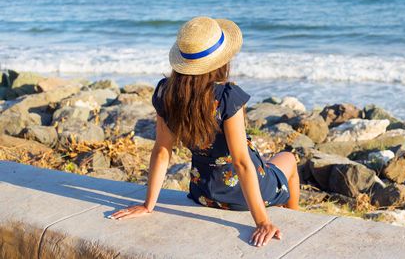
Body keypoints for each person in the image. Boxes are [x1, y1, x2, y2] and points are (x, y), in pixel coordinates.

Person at [109, 16, 300, 247]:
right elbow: (240, 162)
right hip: (242, 196)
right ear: (221, 60)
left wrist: (148, 205)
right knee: (288, 159)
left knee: (266, 163)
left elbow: (162, 150)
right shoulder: (227, 96)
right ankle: (296, 216)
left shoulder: (165, 93)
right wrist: (261, 221)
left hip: (203, 193)